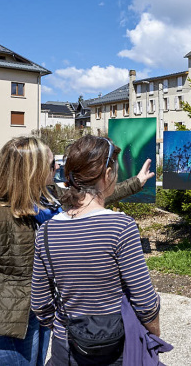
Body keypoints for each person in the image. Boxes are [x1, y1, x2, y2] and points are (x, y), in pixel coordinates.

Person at [0, 136, 154, 366]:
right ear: (32, 170)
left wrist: (136, 183)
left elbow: (93, 196)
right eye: (51, 164)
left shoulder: (46, 200)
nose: (58, 166)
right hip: (8, 328)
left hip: (39, 314)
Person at [31, 135, 160, 365]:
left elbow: (40, 303)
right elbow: (146, 303)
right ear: (108, 175)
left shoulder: (47, 231)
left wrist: (63, 326)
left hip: (67, 348)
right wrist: (153, 334)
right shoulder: (121, 227)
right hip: (117, 347)